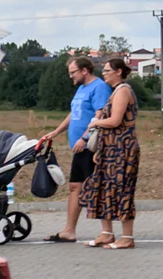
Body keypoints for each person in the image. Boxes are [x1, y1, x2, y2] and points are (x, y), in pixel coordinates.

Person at [39, 57, 113, 242]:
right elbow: (74, 114)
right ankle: (69, 230)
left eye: (73, 72)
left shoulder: (99, 87)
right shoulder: (81, 89)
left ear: (84, 71)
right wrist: (56, 132)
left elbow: (99, 115)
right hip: (79, 148)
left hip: (90, 146)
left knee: (96, 186)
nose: (71, 76)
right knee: (75, 187)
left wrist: (84, 138)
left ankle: (107, 231)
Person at [79, 58, 140, 249]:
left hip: (123, 148)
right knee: (104, 188)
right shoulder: (115, 91)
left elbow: (115, 121)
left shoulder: (123, 91)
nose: (103, 73)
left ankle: (127, 237)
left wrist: (95, 122)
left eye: (107, 70)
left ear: (118, 71)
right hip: (110, 148)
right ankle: (107, 233)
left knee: (122, 189)